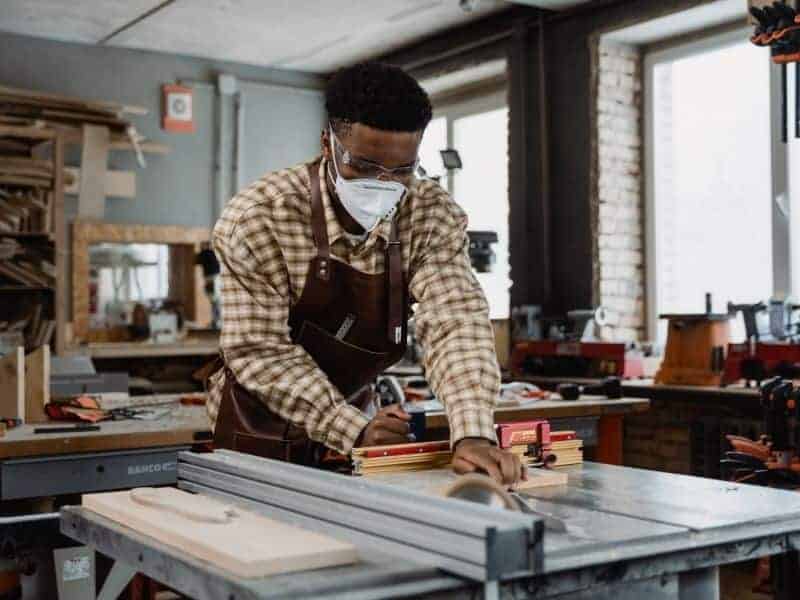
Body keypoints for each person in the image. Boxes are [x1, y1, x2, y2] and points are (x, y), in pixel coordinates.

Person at [206, 61, 524, 486]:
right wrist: (349, 428)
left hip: (359, 422)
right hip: (259, 424)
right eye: (364, 167)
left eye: (401, 171)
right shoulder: (260, 216)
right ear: (327, 145)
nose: (383, 183)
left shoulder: (429, 213)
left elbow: (455, 321)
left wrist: (472, 433)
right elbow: (258, 349)